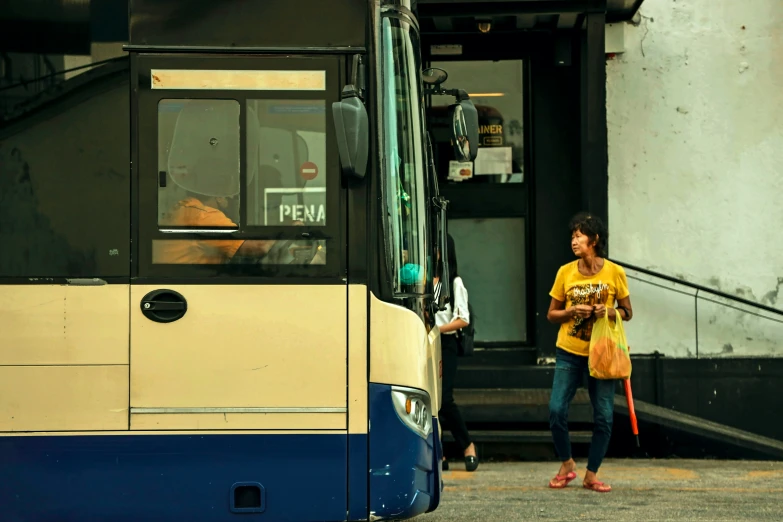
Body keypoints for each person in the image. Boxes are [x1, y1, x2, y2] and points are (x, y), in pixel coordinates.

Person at [546, 212, 633, 493]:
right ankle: (567, 463)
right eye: (572, 235)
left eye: (579, 235)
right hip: (569, 352)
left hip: (602, 352)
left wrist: (607, 311)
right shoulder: (565, 272)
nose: (574, 240)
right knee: (556, 409)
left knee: (604, 416)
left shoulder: (614, 272)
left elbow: (627, 312)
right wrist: (571, 310)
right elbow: (551, 314)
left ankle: (591, 474)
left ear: (594, 240)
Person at [153, 101, 280, 264]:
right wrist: (288, 230)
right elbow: (257, 248)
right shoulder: (204, 216)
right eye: (232, 189)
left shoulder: (185, 209)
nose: (234, 196)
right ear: (221, 190)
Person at [435, 234, 478, 472]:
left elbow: (462, 319)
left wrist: (437, 329)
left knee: (445, 399)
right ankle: (438, 453)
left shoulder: (454, 282)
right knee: (430, 399)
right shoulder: (421, 280)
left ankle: (467, 445)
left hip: (446, 342)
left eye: (436, 248)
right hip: (426, 342)